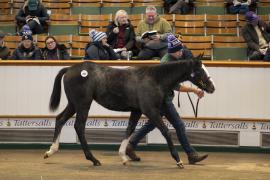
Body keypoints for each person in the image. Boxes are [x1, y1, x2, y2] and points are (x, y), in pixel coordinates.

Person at [126, 34, 208, 164]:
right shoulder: (167, 63)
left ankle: (130, 146)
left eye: (181, 50)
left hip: (162, 97)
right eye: (179, 50)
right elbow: (175, 86)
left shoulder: (174, 59)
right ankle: (191, 154)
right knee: (179, 125)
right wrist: (194, 90)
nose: (181, 52)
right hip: (164, 99)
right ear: (173, 51)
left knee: (151, 124)